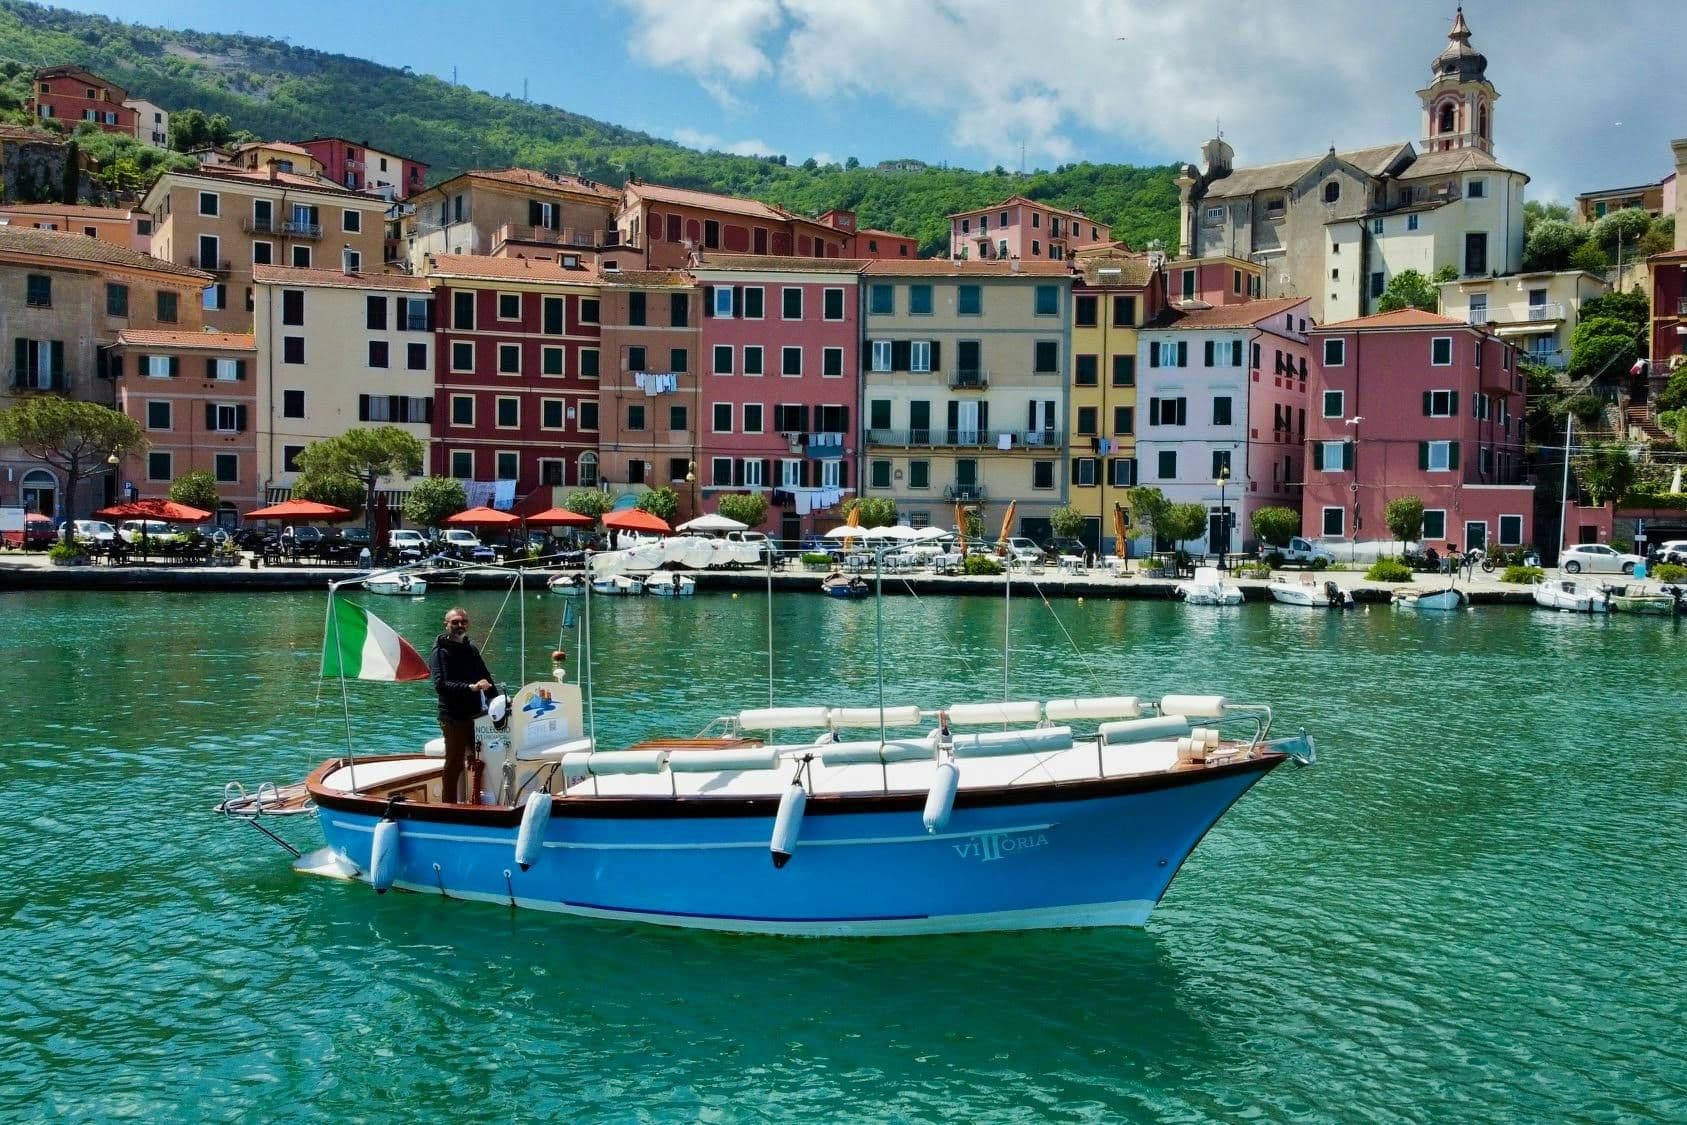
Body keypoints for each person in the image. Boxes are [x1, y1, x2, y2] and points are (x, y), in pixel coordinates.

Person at [430, 607, 495, 804]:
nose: (460, 625)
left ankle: (477, 801)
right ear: (446, 624)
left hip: (476, 716)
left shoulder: (471, 649)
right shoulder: (440, 652)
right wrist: (471, 688)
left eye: (463, 622)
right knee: (454, 764)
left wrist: (498, 701)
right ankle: (448, 805)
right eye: (455, 622)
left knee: (482, 760)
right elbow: (441, 685)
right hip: (453, 718)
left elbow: (486, 678)